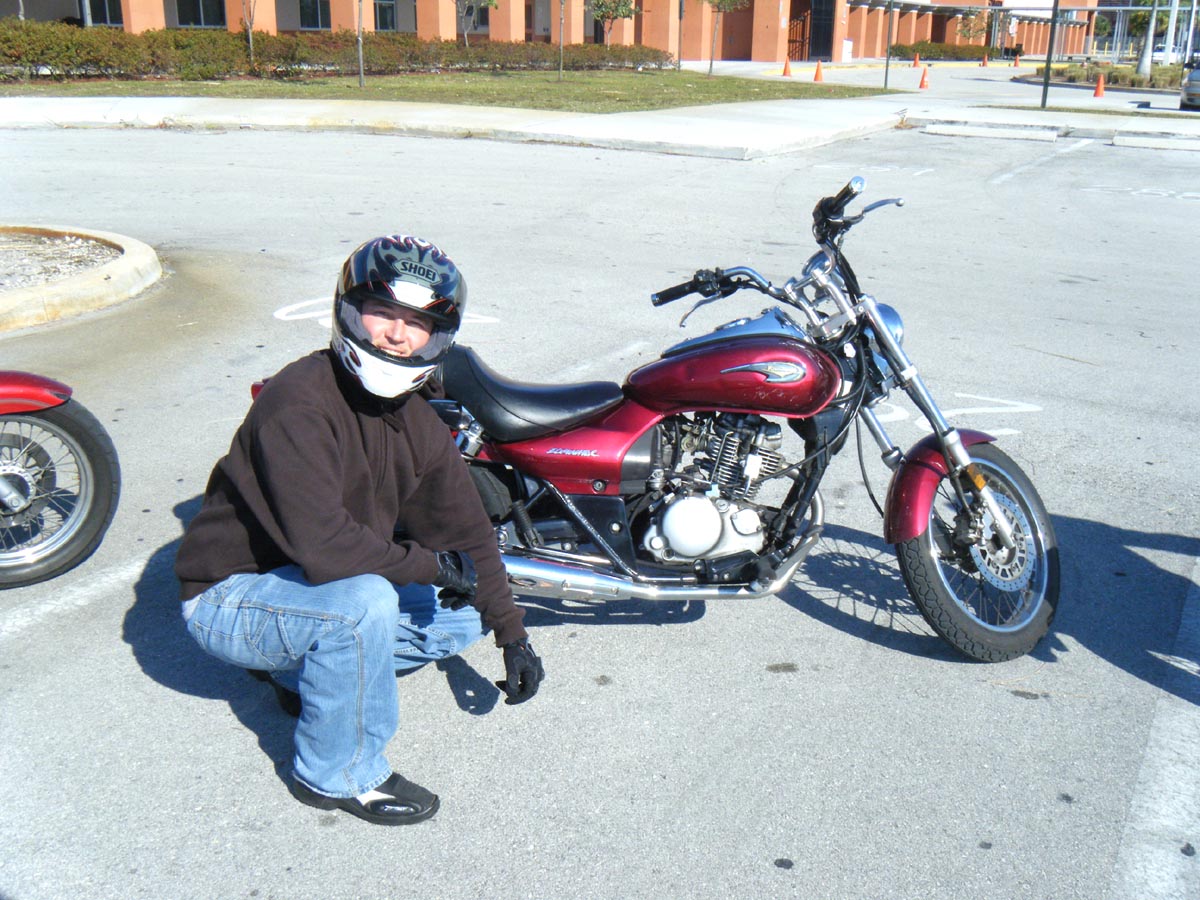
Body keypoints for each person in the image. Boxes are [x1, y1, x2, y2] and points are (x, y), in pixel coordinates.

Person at [175, 234, 543, 826]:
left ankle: (301, 671)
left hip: (311, 588)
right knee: (362, 604)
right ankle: (335, 774)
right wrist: (430, 566)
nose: (396, 335)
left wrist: (512, 634)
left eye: (417, 323)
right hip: (232, 595)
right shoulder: (298, 401)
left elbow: (469, 534)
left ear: (438, 337)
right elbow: (326, 547)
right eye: (382, 313)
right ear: (347, 311)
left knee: (462, 615)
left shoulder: (416, 421)